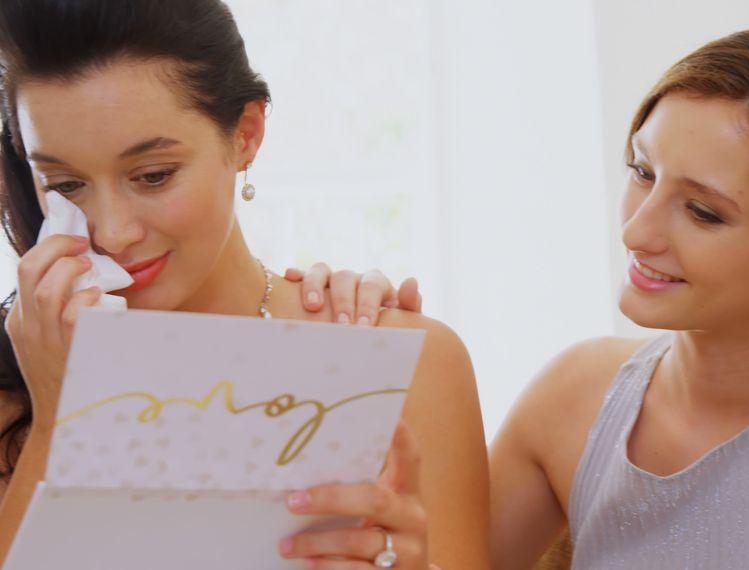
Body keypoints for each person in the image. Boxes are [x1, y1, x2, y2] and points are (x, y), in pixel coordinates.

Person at [302, 27, 749, 568]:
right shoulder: (573, 397)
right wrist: (361, 366)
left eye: (702, 212)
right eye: (642, 172)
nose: (638, 230)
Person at [0, 1, 489, 568]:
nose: (111, 232)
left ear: (247, 135)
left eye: (153, 176)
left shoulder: (398, 363)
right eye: (64, 184)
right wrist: (61, 409)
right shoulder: (18, 385)